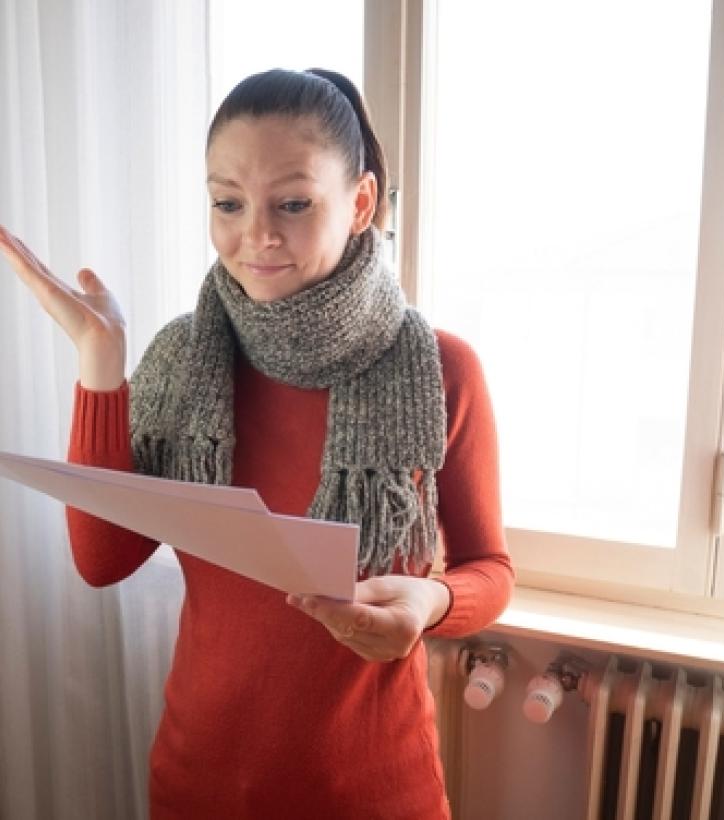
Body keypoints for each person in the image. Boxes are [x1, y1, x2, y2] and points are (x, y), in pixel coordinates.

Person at [0, 68, 513, 819]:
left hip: (372, 793)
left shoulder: (442, 370)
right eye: (228, 203)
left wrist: (433, 601)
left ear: (361, 202)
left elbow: (489, 569)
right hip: (197, 784)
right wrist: (101, 362)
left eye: (294, 203)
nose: (256, 235)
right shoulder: (184, 362)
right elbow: (103, 561)